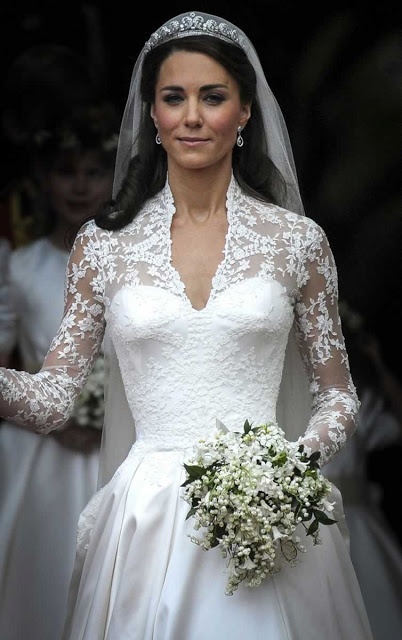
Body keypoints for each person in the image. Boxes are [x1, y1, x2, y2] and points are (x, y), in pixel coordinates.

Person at [0, 11, 373, 640]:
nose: (192, 116)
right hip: (147, 519)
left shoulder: (298, 243)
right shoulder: (102, 247)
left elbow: (337, 394)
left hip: (270, 512)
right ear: (151, 113)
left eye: (213, 97)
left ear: (246, 112)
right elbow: (53, 399)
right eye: (174, 97)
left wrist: (288, 466)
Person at [0, 100, 119, 640]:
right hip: (43, 453)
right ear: (42, 180)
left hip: (115, 449)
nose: (79, 186)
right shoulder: (21, 267)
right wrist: (51, 417)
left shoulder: (127, 258)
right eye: (65, 172)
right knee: (44, 579)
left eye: (93, 172)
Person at [323, 300, 402, 639]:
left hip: (358, 519)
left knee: (375, 604)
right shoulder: (285, 398)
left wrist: (377, 362)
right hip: (314, 522)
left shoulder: (360, 403)